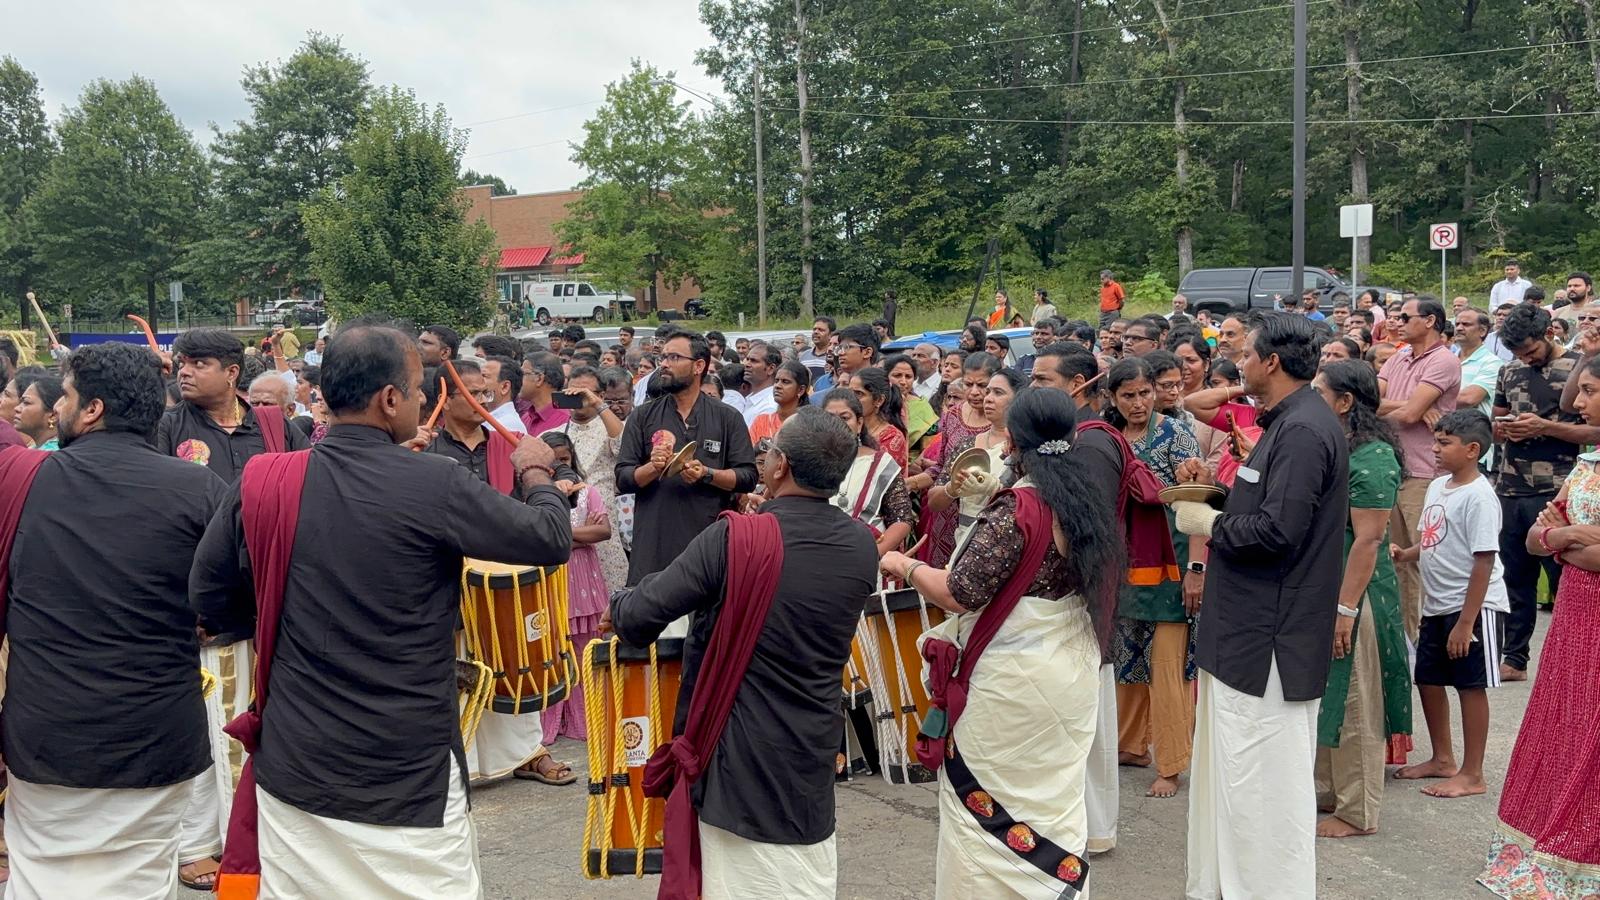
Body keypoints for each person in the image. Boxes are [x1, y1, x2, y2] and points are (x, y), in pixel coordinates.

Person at [191, 322, 573, 899]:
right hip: (406, 758)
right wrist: (537, 469)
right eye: (419, 390)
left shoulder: (265, 479)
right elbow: (547, 537)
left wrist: (282, 620)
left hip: (299, 750)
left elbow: (210, 597)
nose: (423, 402)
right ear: (390, 398)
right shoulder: (434, 482)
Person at [606, 407, 878, 900]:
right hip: (812, 742)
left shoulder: (737, 538)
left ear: (780, 467)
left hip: (738, 748)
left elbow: (643, 612)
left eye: (771, 451)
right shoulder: (862, 544)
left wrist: (617, 604)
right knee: (801, 873)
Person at [0, 343, 225, 898]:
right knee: (142, 878)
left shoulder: (24, 483)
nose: (57, 410)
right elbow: (229, 602)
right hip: (156, 733)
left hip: (46, 736)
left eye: (67, 396)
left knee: (41, 877)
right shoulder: (201, 489)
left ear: (94, 409)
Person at [878, 387, 1122, 898]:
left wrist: (905, 564)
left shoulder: (1020, 509)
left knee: (982, 816)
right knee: (1053, 799)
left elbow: (961, 592)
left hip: (1011, 682)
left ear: (1012, 439)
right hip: (1070, 672)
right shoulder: (1086, 502)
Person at [1172, 312, 1349, 900]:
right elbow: (1271, 506)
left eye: (1246, 354)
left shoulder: (1302, 430)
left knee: (1262, 785)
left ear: (1272, 361)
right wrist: (1218, 495)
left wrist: (1212, 522)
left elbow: (1279, 532)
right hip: (1246, 625)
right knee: (1233, 778)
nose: (1238, 363)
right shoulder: (1288, 422)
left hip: (1269, 636)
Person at [1479, 354, 1600, 897]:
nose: (1580, 403)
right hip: (1575, 612)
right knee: (1569, 724)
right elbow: (1538, 539)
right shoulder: (1589, 462)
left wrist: (1567, 539)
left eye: (1592, 391)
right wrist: (1570, 540)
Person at [1310, 361, 1414, 839]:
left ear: (1345, 402)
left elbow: (1369, 541)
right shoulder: (1341, 447)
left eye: (1320, 392)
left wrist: (1345, 610)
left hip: (1359, 592)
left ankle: (1358, 811)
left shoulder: (1372, 456)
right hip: (1331, 586)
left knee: (1356, 700)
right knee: (1331, 693)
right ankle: (1329, 792)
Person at [1389, 411, 1506, 800]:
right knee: (1428, 677)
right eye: (1435, 442)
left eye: (1444, 443)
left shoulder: (1480, 496)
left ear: (1473, 450)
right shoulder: (1439, 487)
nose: (1435, 450)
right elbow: (1433, 540)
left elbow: (1484, 559)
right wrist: (1405, 554)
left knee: (1470, 686)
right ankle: (1443, 757)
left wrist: (1466, 622)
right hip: (1437, 605)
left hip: (1473, 607)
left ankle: (1473, 772)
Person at [1103, 358, 1200, 800]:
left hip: (1170, 561)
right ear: (1113, 398)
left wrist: (1196, 571)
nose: (1139, 402)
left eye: (1145, 393)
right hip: (1126, 563)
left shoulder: (1175, 435)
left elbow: (1196, 501)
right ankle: (1131, 745)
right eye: (1128, 395)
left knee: (1166, 664)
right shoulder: (1109, 437)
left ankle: (1172, 762)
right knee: (1127, 658)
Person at [1495, 304, 1597, 681]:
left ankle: (1568, 656)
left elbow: (1594, 434)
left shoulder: (1580, 371)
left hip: (1560, 483)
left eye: (1530, 350)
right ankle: (1515, 657)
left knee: (1564, 576)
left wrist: (1545, 428)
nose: (1525, 358)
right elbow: (1495, 422)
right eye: (1518, 353)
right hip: (1511, 483)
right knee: (1515, 577)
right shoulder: (1510, 371)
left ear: (1548, 335)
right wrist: (1504, 429)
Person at [616, 330, 758, 584]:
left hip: (708, 542)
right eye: (663, 357)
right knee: (651, 617)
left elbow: (747, 477)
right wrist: (653, 467)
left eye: (674, 357)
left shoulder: (727, 417)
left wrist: (707, 474)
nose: (664, 364)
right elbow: (623, 478)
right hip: (654, 544)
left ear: (699, 366)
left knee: (706, 619)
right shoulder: (643, 416)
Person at [1378, 296, 1461, 640]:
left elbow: (1410, 416)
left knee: (1424, 557)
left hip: (1425, 473)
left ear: (1429, 321)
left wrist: (1405, 407)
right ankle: (1407, 636)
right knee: (1397, 559)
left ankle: (1429, 637)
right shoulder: (1398, 356)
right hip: (1394, 469)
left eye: (1405, 316)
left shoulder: (1443, 360)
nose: (1397, 321)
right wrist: (1409, 402)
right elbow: (1367, 402)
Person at [158, 328, 311, 482]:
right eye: (181, 363)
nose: (184, 372)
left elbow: (308, 478)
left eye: (198, 363)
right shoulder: (166, 426)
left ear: (231, 372)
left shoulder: (274, 424)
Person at [536, 432, 610, 744]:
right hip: (552, 584)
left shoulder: (588, 493)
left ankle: (586, 719)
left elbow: (603, 531)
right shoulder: (537, 497)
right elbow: (537, 535)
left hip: (585, 586)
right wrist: (581, 533)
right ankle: (551, 723)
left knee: (584, 652)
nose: (560, 466)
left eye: (564, 459)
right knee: (550, 653)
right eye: (552, 460)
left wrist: (562, 534)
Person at [543, 365, 629, 591]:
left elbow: (623, 448)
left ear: (600, 395)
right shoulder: (553, 435)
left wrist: (597, 405)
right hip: (568, 529)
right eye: (572, 392)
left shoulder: (614, 428)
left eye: (585, 393)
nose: (578, 398)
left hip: (604, 524)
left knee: (611, 595)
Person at [929, 369, 1022, 553]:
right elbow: (934, 502)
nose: (988, 398)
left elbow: (1029, 503)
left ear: (1019, 399)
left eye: (998, 393)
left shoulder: (1023, 448)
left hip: (1005, 545)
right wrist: (952, 488)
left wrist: (994, 489)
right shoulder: (968, 445)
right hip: (965, 541)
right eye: (988, 392)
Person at [820, 388, 916, 556]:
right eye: (830, 418)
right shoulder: (810, 462)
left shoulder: (881, 464)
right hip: (819, 556)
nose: (837, 424)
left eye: (844, 418)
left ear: (859, 423)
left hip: (867, 561)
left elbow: (902, 519)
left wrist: (873, 555)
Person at [849, 366, 908, 470]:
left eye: (859, 394)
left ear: (879, 400)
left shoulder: (891, 437)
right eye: (849, 393)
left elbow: (879, 477)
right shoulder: (845, 427)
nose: (851, 399)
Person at [748, 360, 811, 449]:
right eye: (776, 381)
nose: (777, 386)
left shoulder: (808, 425)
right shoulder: (761, 421)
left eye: (785, 382)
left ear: (801, 390)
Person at [1454, 308, 1503, 420]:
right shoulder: (1448, 359)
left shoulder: (1492, 363)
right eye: (1457, 324)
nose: (1459, 328)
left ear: (1482, 331)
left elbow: (1469, 399)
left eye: (1466, 324)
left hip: (1473, 432)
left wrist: (1425, 402)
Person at [810, 323, 878, 404]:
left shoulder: (885, 391)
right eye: (840, 348)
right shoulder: (818, 400)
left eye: (847, 347)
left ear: (867, 352)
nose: (840, 353)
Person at [883, 353, 938, 451]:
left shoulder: (921, 406)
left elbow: (929, 445)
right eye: (897, 375)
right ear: (886, 377)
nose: (903, 381)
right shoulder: (877, 403)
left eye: (908, 377)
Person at [519, 351, 572, 434]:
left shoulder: (566, 421)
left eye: (522, 374)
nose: (517, 379)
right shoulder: (526, 417)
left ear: (539, 379)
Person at [481, 355, 530, 435]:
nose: (477, 382)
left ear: (505, 387)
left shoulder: (508, 425)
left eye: (484, 376)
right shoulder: (486, 419)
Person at [11, 374, 62, 450]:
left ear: (53, 416)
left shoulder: (52, 456)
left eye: (26, 402)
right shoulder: (35, 448)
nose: (17, 408)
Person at [742, 343, 781, 426]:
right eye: (747, 359)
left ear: (770, 368)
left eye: (753, 361)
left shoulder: (769, 406)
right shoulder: (750, 399)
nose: (747, 364)